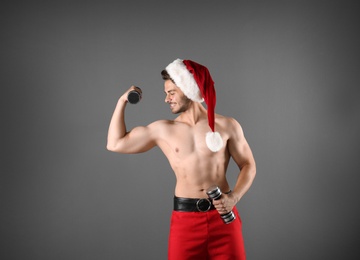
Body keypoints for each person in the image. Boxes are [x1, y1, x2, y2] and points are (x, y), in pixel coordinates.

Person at [107, 58, 256, 259]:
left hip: (223, 217)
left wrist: (234, 198)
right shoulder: (163, 129)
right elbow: (115, 143)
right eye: (166, 93)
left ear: (189, 89)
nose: (167, 99)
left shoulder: (227, 125)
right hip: (186, 221)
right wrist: (121, 101)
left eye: (171, 92)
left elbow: (248, 164)